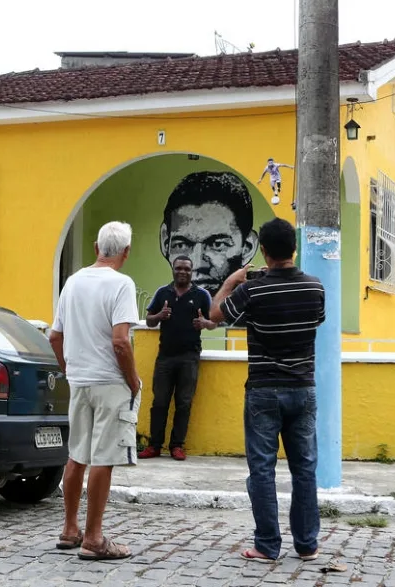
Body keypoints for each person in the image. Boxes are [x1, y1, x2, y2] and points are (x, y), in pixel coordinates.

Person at [209, 217, 325, 563]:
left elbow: (215, 314)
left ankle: (267, 545)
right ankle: (307, 545)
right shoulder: (315, 287)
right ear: (294, 248)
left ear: (263, 250)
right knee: (304, 468)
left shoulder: (252, 290)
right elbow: (316, 321)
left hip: (263, 389)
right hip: (303, 388)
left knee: (262, 468)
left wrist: (232, 280)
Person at [49, 221, 143, 561]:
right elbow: (120, 340)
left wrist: (67, 368)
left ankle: (70, 529)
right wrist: (132, 379)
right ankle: (94, 538)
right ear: (126, 252)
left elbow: (54, 336)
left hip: (80, 380)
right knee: (104, 457)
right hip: (109, 381)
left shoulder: (73, 282)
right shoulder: (122, 284)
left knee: (77, 455)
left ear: (96, 247)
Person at [138, 256, 216, 461]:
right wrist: (159, 316)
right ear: (173, 270)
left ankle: (177, 445)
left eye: (187, 269)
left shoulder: (202, 295)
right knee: (160, 401)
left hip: (189, 357)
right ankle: (155, 445)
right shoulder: (162, 293)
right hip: (165, 357)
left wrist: (204, 323)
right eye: (179, 268)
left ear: (192, 272)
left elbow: (214, 322)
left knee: (184, 402)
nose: (183, 272)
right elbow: (149, 321)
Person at [159, 171, 259, 297]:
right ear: (165, 244)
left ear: (248, 247)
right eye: (181, 245)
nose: (197, 263)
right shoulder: (164, 300)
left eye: (217, 245)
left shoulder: (255, 308)